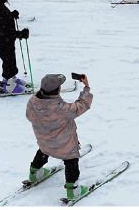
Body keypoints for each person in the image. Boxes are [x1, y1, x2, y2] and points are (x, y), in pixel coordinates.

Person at [26, 73, 94, 201]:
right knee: (71, 160)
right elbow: (83, 105)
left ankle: (34, 174)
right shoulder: (62, 109)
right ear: (57, 90)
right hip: (64, 144)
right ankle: (73, 191)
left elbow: (29, 116)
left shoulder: (33, 101)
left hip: (44, 139)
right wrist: (86, 87)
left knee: (43, 150)